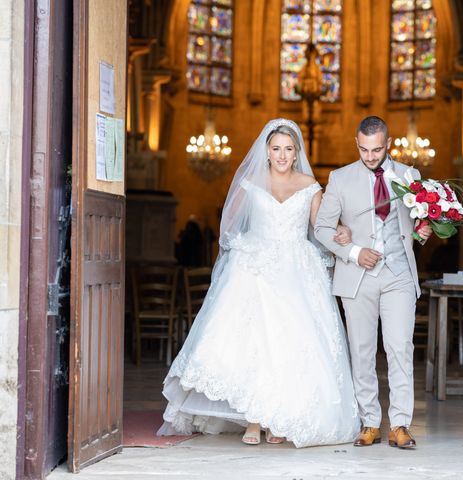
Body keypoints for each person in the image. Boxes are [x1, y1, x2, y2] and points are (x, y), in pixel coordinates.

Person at [157, 119, 360, 448]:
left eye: (288, 149)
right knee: (253, 342)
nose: (282, 155)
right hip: (254, 266)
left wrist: (343, 231)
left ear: (297, 154)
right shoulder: (250, 183)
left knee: (290, 343)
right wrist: (242, 253)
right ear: (266, 151)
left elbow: (321, 227)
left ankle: (278, 418)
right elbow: (230, 227)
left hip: (297, 268)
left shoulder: (310, 185)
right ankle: (254, 418)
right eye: (276, 148)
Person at [314, 116, 432, 449]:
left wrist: (424, 232)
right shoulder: (340, 178)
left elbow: (418, 225)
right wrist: (352, 251)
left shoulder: (410, 176)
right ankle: (369, 423)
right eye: (364, 150)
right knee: (362, 351)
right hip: (357, 277)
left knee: (399, 348)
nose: (370, 156)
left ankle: (400, 424)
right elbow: (322, 228)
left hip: (398, 274)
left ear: (388, 143)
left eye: (376, 149)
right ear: (357, 144)